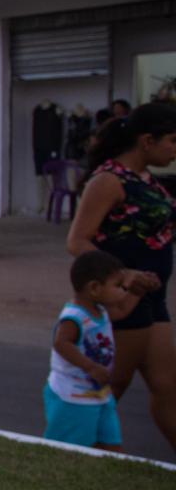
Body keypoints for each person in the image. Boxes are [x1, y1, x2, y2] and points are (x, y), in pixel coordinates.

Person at [67, 102, 176, 449]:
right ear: (147, 141)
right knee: (110, 387)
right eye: (172, 141)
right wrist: (123, 275)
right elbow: (77, 241)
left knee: (167, 387)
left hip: (153, 298)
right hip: (120, 300)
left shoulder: (153, 183)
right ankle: (73, 454)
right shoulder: (108, 181)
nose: (175, 149)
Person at [46, 251, 136, 450]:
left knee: (110, 446)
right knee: (70, 449)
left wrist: (140, 290)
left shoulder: (101, 309)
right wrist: (91, 367)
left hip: (99, 394)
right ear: (94, 288)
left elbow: (122, 310)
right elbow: (62, 343)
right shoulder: (75, 316)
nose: (123, 291)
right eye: (118, 286)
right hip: (74, 397)